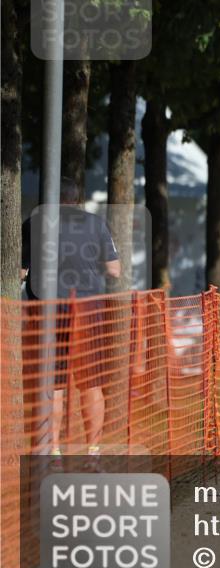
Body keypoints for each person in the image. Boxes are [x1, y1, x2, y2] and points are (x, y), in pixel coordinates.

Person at [20, 177, 121, 464]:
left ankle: (53, 452)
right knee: (91, 383)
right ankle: (93, 453)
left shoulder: (35, 223)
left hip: (48, 312)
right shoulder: (97, 224)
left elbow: (19, 272)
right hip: (87, 311)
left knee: (53, 385)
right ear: (79, 200)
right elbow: (114, 269)